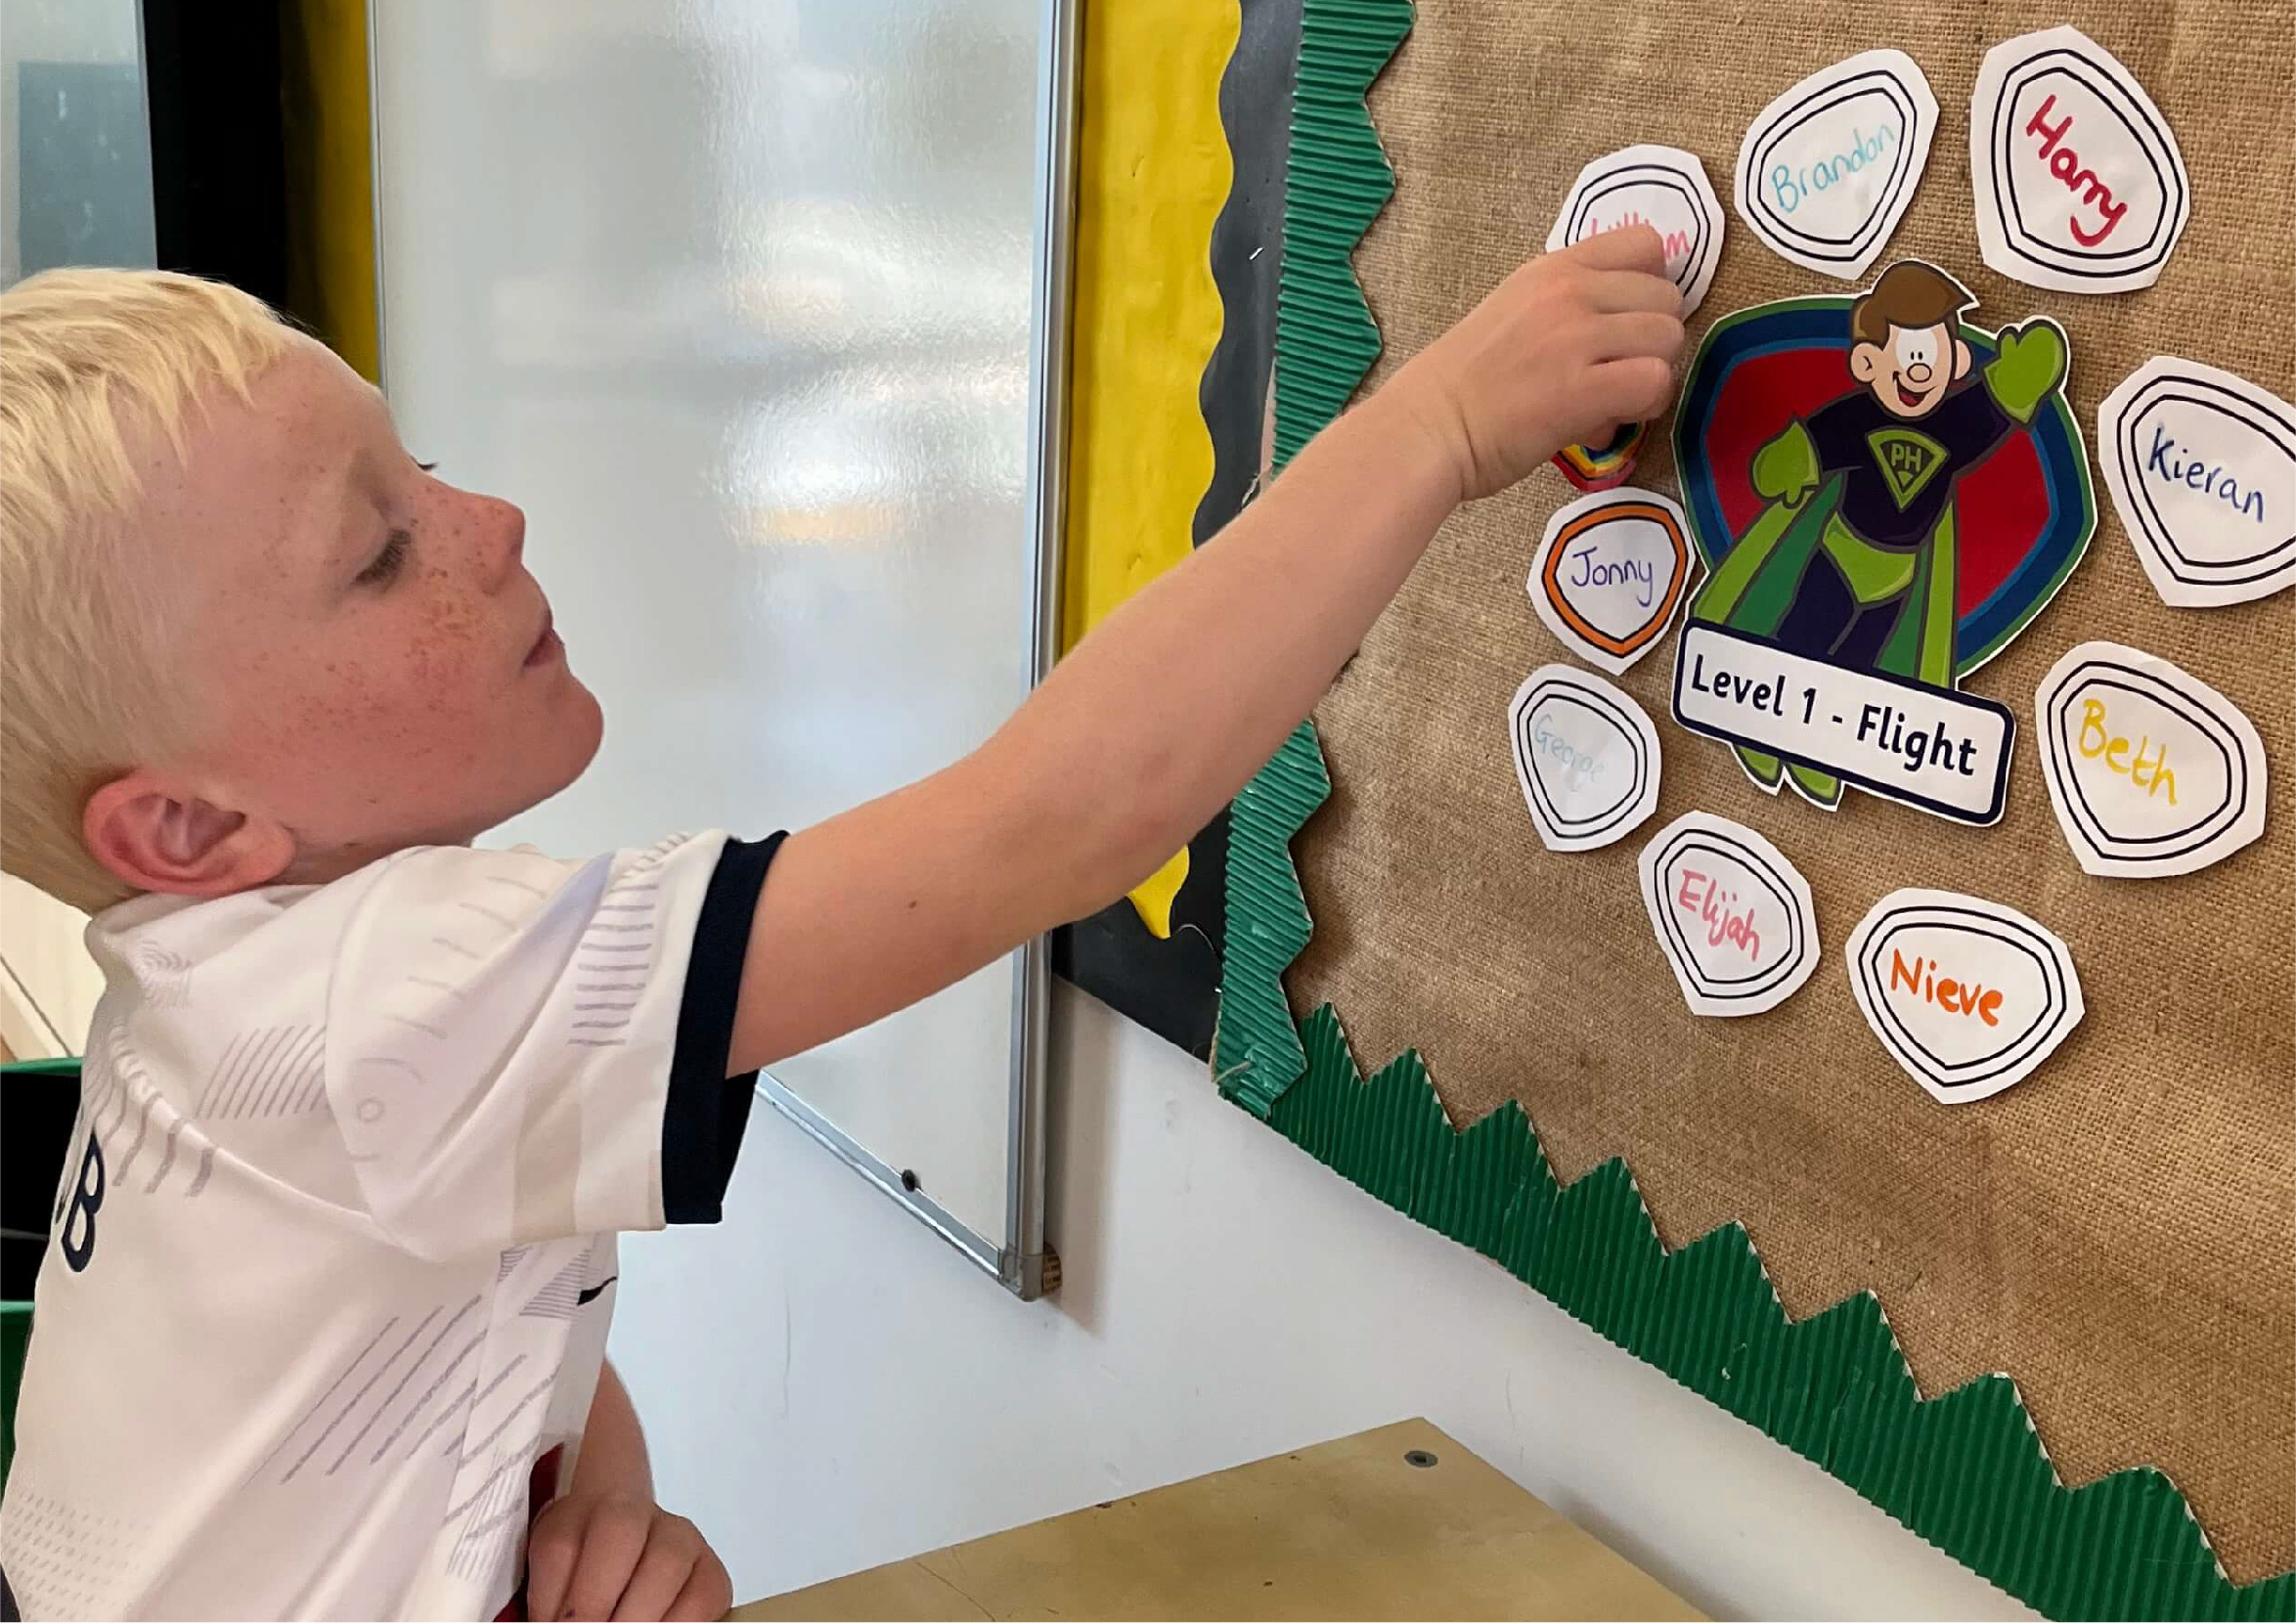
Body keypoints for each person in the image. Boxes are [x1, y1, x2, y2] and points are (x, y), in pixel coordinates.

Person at [0, 227, 1684, 1620]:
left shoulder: (207, 1001)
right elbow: (1054, 824)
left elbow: (508, 1341)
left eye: (423, 468)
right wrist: (1443, 422)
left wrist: (590, 1520)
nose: (489, 522)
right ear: (192, 827)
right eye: (379, 552)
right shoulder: (371, 1004)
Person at [1687, 259, 2069, 806]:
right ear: (1867, 361)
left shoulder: (1954, 425)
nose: (1920, 372)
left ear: (1956, 360)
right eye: (1912, 355)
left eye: (1934, 356)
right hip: (1839, 560)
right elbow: (1815, 444)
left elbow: (1992, 408)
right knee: (1800, 646)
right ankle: (1762, 736)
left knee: (1854, 673)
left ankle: (1821, 759)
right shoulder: (1856, 419)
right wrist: (1790, 460)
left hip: (1897, 580)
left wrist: (2018, 379)